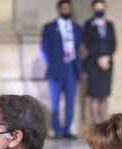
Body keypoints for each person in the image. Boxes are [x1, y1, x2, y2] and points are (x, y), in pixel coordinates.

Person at [41, 0, 83, 138]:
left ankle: (67, 130)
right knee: (55, 100)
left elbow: (79, 47)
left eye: (68, 8)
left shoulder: (76, 27)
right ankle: (57, 130)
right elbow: (44, 48)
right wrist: (52, 63)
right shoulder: (50, 27)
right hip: (56, 67)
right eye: (63, 8)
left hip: (71, 66)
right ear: (59, 9)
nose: (66, 10)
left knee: (71, 99)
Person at [83, 0, 116, 122]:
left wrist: (107, 57)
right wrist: (99, 58)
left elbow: (113, 43)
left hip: (107, 64)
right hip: (93, 64)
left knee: (104, 96)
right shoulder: (88, 24)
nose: (100, 10)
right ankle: (95, 125)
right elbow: (87, 43)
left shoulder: (110, 24)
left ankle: (104, 124)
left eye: (102, 8)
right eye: (97, 8)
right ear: (93, 9)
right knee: (95, 96)